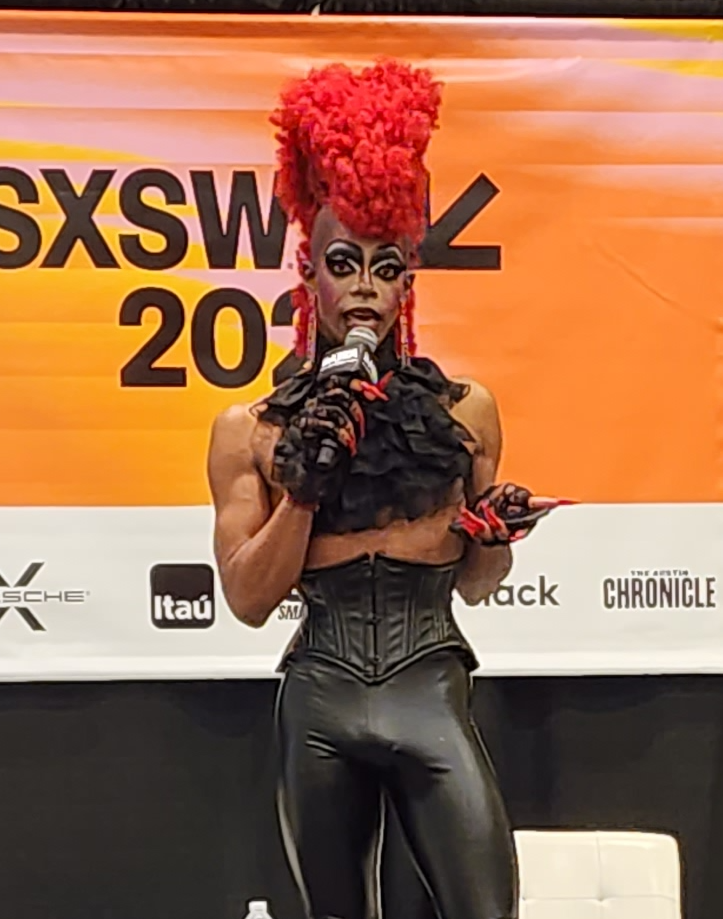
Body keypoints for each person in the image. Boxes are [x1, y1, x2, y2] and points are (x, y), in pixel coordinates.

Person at [205, 59, 559, 919]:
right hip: (319, 698)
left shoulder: (462, 410)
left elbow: (476, 584)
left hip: (430, 685)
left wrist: (489, 535)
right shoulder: (252, 428)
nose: (363, 282)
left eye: (384, 264)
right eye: (342, 260)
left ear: (407, 281)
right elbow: (249, 600)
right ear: (309, 274)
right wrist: (305, 488)